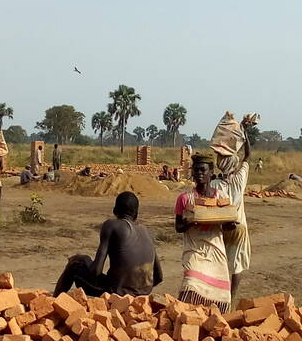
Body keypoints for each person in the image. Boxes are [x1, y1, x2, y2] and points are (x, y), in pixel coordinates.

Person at [54, 192, 163, 297]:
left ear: (115, 210)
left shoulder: (111, 225)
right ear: (136, 213)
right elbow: (159, 277)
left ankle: (53, 303)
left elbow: (96, 271)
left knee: (75, 264)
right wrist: (137, 292)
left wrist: (83, 259)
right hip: (143, 294)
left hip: (116, 292)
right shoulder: (146, 231)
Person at [175, 152, 235, 312]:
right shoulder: (185, 199)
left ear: (211, 173)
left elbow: (227, 226)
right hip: (194, 250)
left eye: (203, 170)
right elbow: (178, 227)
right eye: (196, 170)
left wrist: (231, 224)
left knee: (219, 295)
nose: (199, 174)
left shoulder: (222, 197)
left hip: (215, 250)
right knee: (191, 284)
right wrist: (191, 222)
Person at [216, 133, 251, 300]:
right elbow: (248, 156)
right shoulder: (239, 180)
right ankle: (232, 295)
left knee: (220, 262)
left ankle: (219, 293)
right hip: (239, 228)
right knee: (237, 264)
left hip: (221, 228)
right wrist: (245, 136)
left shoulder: (214, 184)